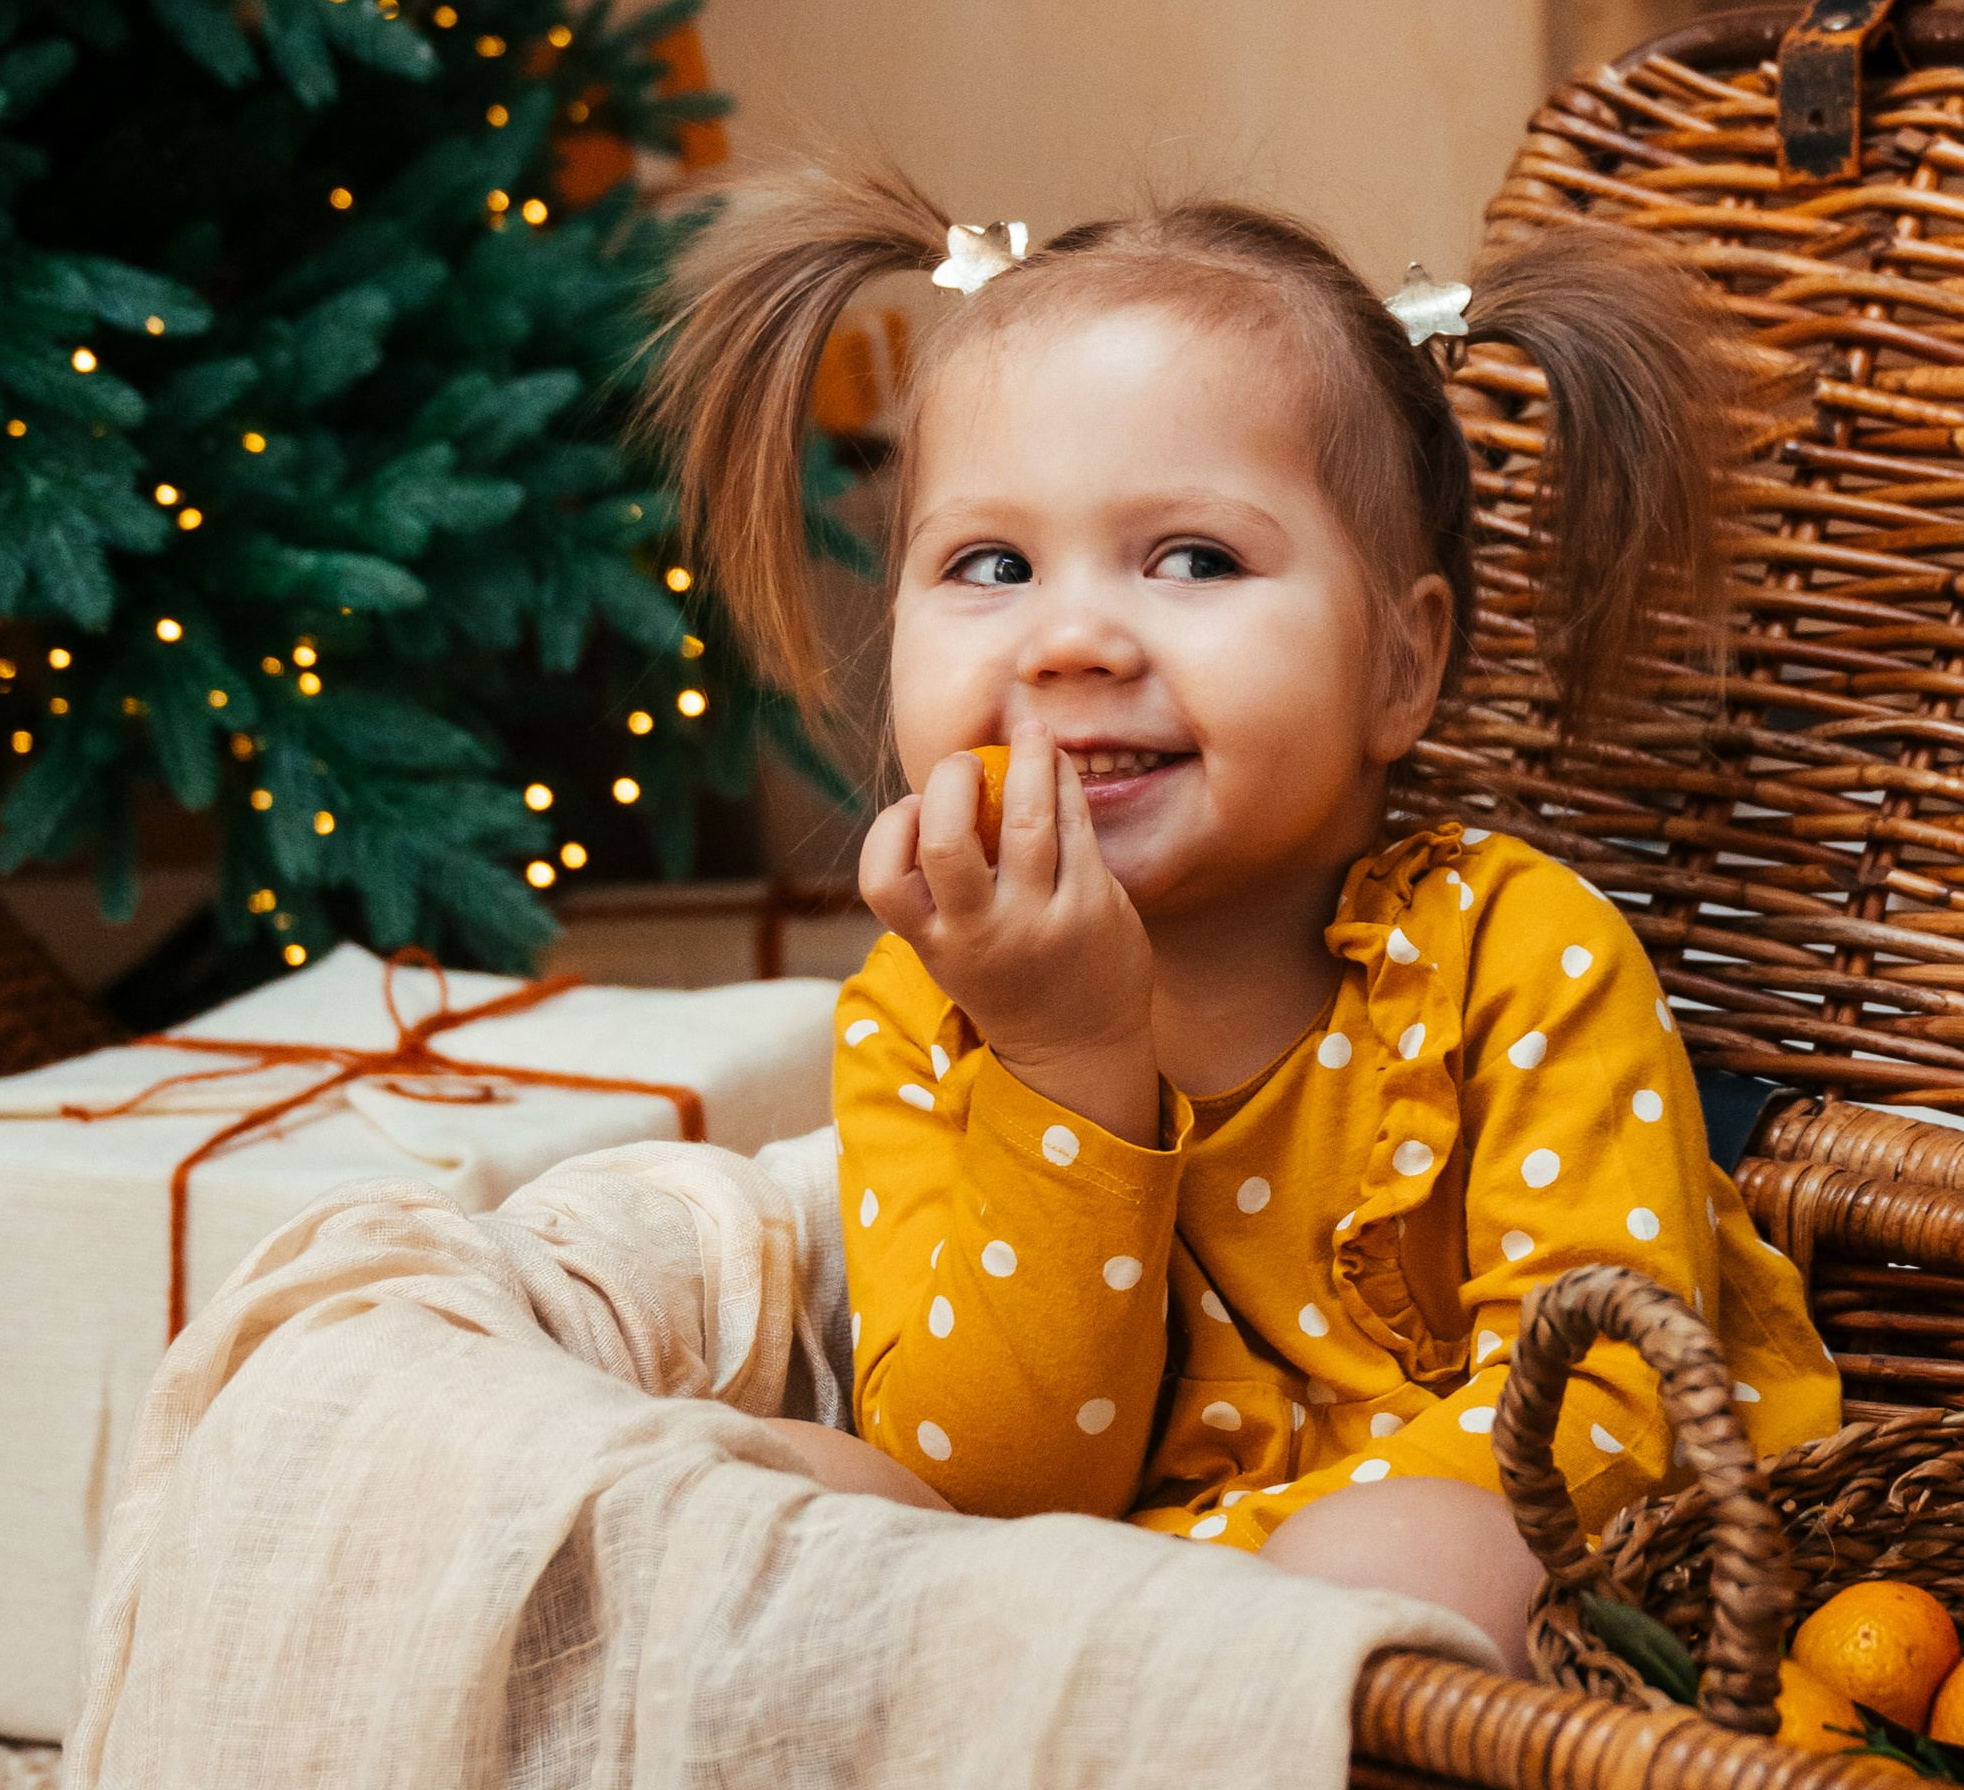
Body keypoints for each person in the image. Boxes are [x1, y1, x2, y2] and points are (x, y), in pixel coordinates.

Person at [648, 174, 1838, 1668]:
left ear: (1402, 665)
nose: (1071, 641)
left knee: (1398, 1555)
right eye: (990, 566)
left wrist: (1231, 1590)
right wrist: (1061, 1056)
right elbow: (989, 1477)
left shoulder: (1515, 954)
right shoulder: (917, 1011)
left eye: (1193, 560)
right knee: (746, 1493)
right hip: (1086, 1602)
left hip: (1447, 1573)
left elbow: (1609, 1412)